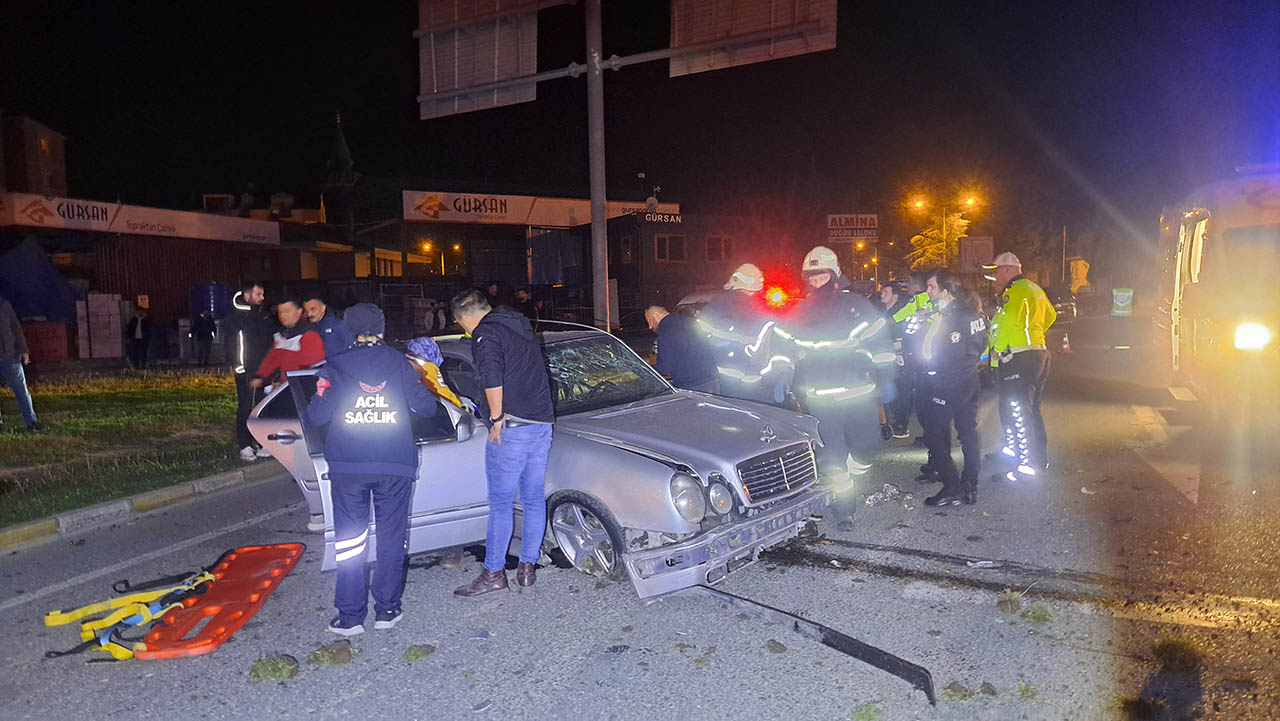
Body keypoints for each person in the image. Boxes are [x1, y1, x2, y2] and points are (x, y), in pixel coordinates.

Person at [304, 303, 441, 636]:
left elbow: (316, 417)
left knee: (350, 541)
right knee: (392, 539)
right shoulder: (400, 364)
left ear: (350, 331)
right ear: (381, 329)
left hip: (348, 467)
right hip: (394, 465)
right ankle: (387, 611)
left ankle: (350, 617)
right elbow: (426, 406)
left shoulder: (334, 366)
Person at [451, 289, 555, 597]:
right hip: (540, 424)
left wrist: (495, 419)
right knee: (534, 498)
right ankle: (527, 569)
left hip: (512, 427)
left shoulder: (485, 334)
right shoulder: (519, 325)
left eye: (461, 324)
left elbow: (492, 377)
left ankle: (493, 572)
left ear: (463, 318)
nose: (465, 331)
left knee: (500, 504)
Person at [785, 246, 896, 532]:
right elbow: (783, 347)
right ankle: (844, 507)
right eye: (812, 277)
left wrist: (886, 377)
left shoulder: (857, 306)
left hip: (859, 395)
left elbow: (880, 342)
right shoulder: (799, 311)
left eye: (821, 276)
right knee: (831, 459)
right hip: (821, 400)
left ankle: (852, 473)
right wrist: (781, 378)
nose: (816, 281)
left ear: (834, 275)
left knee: (866, 449)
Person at [915, 269, 987, 506]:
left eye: (932, 287)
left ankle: (952, 485)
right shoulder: (973, 313)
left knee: (933, 434)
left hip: (948, 383)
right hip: (970, 379)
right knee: (968, 433)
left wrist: (930, 369)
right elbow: (981, 347)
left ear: (946, 291)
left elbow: (944, 354)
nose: (928, 291)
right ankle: (970, 486)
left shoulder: (952, 319)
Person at [985, 252, 1057, 480]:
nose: (995, 276)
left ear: (1008, 269)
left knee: (1018, 412)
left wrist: (997, 348)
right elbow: (1051, 316)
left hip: (1019, 357)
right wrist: (1033, 334)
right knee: (1028, 410)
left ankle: (1027, 466)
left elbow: (1006, 323)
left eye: (997, 271)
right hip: (1037, 354)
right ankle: (1019, 453)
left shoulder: (1016, 291)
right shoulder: (1035, 289)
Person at [699, 263, 791, 404]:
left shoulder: (717, 305)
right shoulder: (766, 311)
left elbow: (697, 337)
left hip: (723, 384)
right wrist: (783, 375)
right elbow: (780, 348)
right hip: (756, 385)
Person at [223, 281, 273, 462]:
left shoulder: (263, 316)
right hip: (247, 371)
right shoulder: (235, 318)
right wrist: (240, 368)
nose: (262, 298)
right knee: (246, 407)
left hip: (264, 370)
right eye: (258, 294)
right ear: (247, 295)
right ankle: (244, 445)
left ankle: (261, 443)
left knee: (263, 407)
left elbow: (269, 342)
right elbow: (235, 345)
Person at [251, 298, 325, 391]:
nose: (283, 315)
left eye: (287, 311)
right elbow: (271, 360)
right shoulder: (280, 335)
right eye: (280, 312)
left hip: (306, 390)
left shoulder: (310, 335)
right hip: (288, 388)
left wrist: (284, 355)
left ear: (299, 312)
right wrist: (260, 377)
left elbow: (312, 367)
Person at [645, 305, 719, 393]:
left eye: (649, 321)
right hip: (712, 379)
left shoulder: (666, 332)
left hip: (691, 385)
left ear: (656, 315)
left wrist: (645, 369)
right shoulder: (690, 321)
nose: (650, 326)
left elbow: (664, 368)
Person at [0, 294, 39, 431]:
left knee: (21, 390)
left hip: (9, 355)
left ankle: (31, 422)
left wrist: (24, 350)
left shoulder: (4, 305)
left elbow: (16, 328)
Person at [880, 281, 913, 439]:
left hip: (899, 358)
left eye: (886, 291)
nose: (882, 294)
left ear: (895, 296)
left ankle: (901, 424)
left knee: (900, 390)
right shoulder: (882, 313)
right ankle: (894, 421)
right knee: (889, 389)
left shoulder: (900, 315)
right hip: (884, 359)